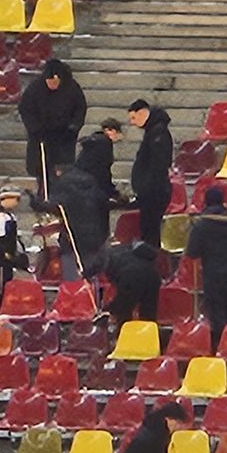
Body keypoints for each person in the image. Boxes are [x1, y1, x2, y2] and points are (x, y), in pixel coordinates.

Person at [185, 186, 227, 348]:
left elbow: (192, 253)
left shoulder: (202, 226)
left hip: (213, 277)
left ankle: (220, 347)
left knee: (216, 314)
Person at [46, 135, 114, 280]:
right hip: (82, 235)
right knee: (77, 274)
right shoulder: (84, 178)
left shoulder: (94, 173)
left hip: (91, 234)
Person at [18, 59, 88, 198]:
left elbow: (80, 109)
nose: (52, 85)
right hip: (41, 135)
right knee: (41, 168)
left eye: (55, 81)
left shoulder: (72, 88)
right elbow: (25, 109)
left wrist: (73, 128)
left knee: (62, 169)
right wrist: (35, 129)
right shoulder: (34, 88)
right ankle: (43, 193)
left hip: (63, 137)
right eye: (49, 81)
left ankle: (61, 195)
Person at [127, 99, 173, 248]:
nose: (132, 123)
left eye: (133, 118)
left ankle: (151, 265)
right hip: (151, 191)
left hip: (154, 193)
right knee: (149, 231)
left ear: (142, 113)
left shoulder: (157, 133)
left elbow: (158, 165)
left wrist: (145, 188)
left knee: (150, 233)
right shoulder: (153, 132)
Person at [116, 402, 189, 453]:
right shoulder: (155, 437)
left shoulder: (151, 429)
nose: (178, 427)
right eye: (177, 423)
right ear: (168, 419)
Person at [0, 185, 29, 311]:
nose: (17, 203)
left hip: (9, 254)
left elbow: (13, 237)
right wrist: (7, 251)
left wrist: (19, 251)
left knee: (7, 280)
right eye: (16, 199)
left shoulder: (9, 215)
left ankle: (4, 303)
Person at [103, 241, 161, 325]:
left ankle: (123, 334)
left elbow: (123, 302)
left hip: (131, 276)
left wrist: (110, 309)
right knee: (148, 315)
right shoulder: (126, 247)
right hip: (153, 275)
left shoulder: (105, 256)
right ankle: (149, 336)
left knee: (123, 312)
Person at [87, 118, 126, 200]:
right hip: (94, 187)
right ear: (112, 131)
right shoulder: (104, 144)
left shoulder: (94, 141)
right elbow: (103, 171)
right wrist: (111, 192)